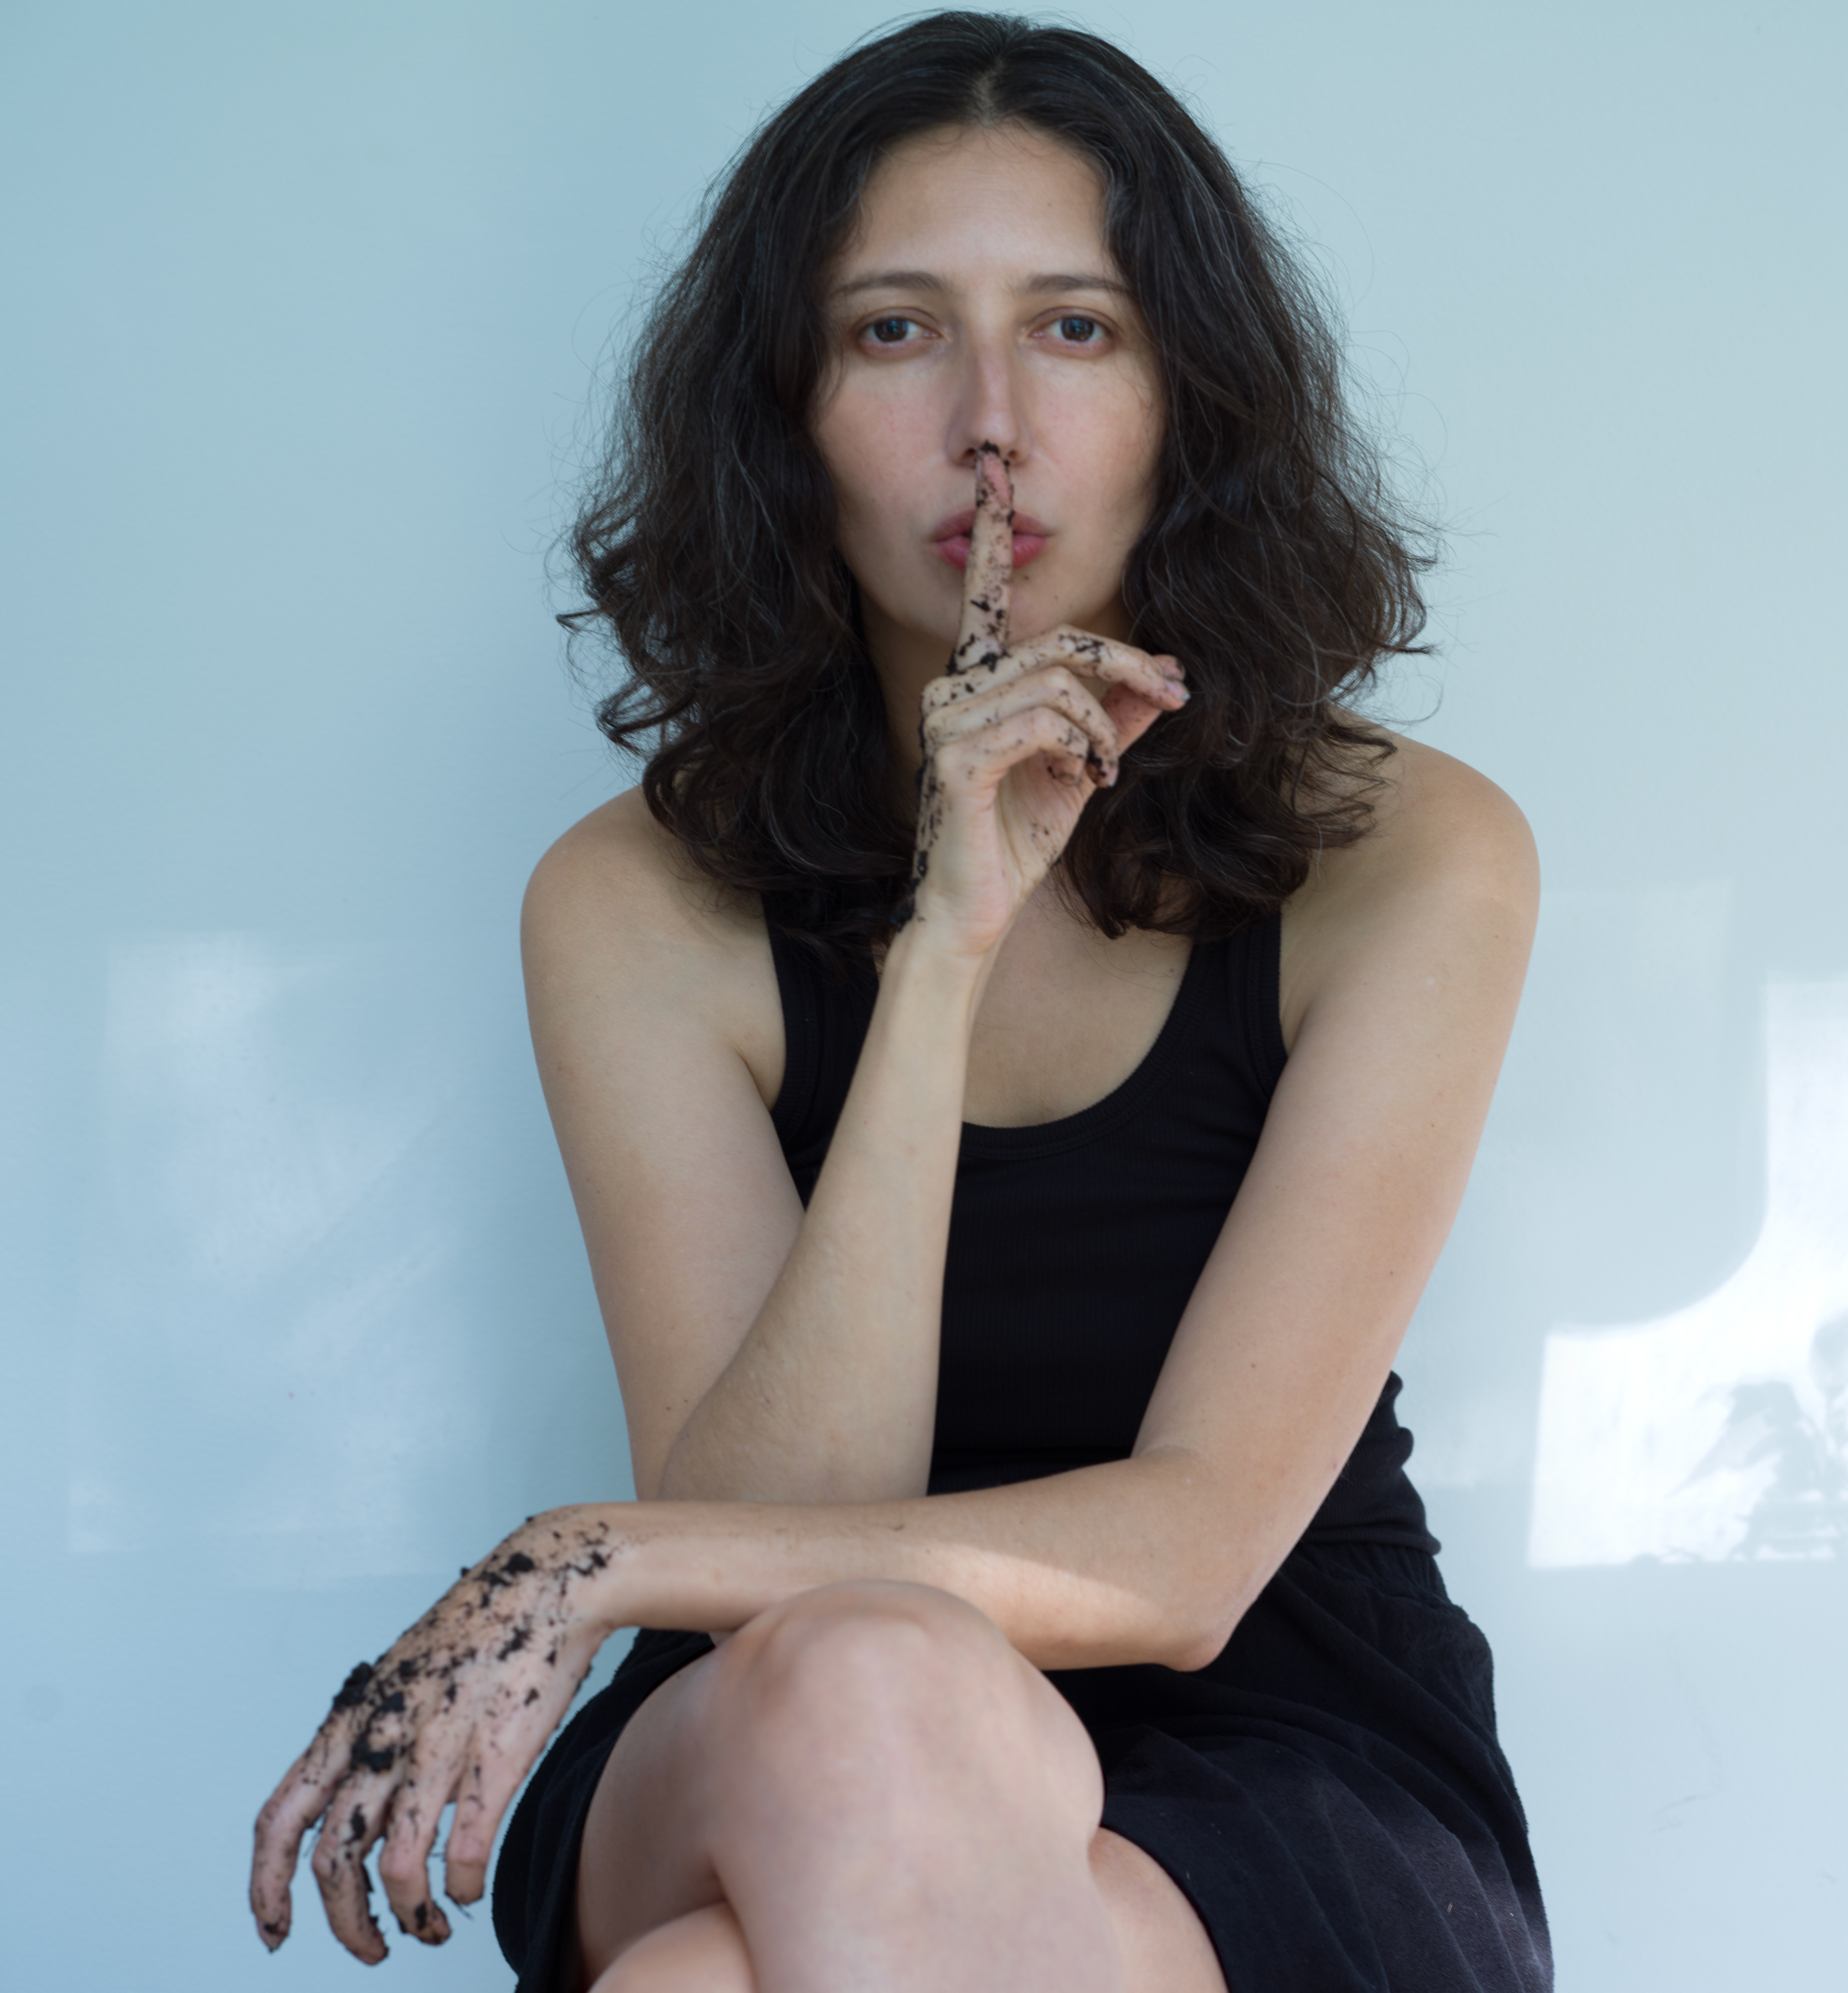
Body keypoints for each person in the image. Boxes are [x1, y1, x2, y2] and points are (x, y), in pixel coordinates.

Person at [249, 14, 1549, 1990]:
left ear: (1190, 396)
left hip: (1287, 1750)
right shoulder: (633, 903)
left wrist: (578, 1555)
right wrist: (944, 947)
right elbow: (780, 1546)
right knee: (861, 1681)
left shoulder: (1410, 859)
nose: (992, 423)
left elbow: (1197, 1561)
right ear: (784, 411)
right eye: (894, 331)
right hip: (765, 1724)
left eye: (1077, 328)